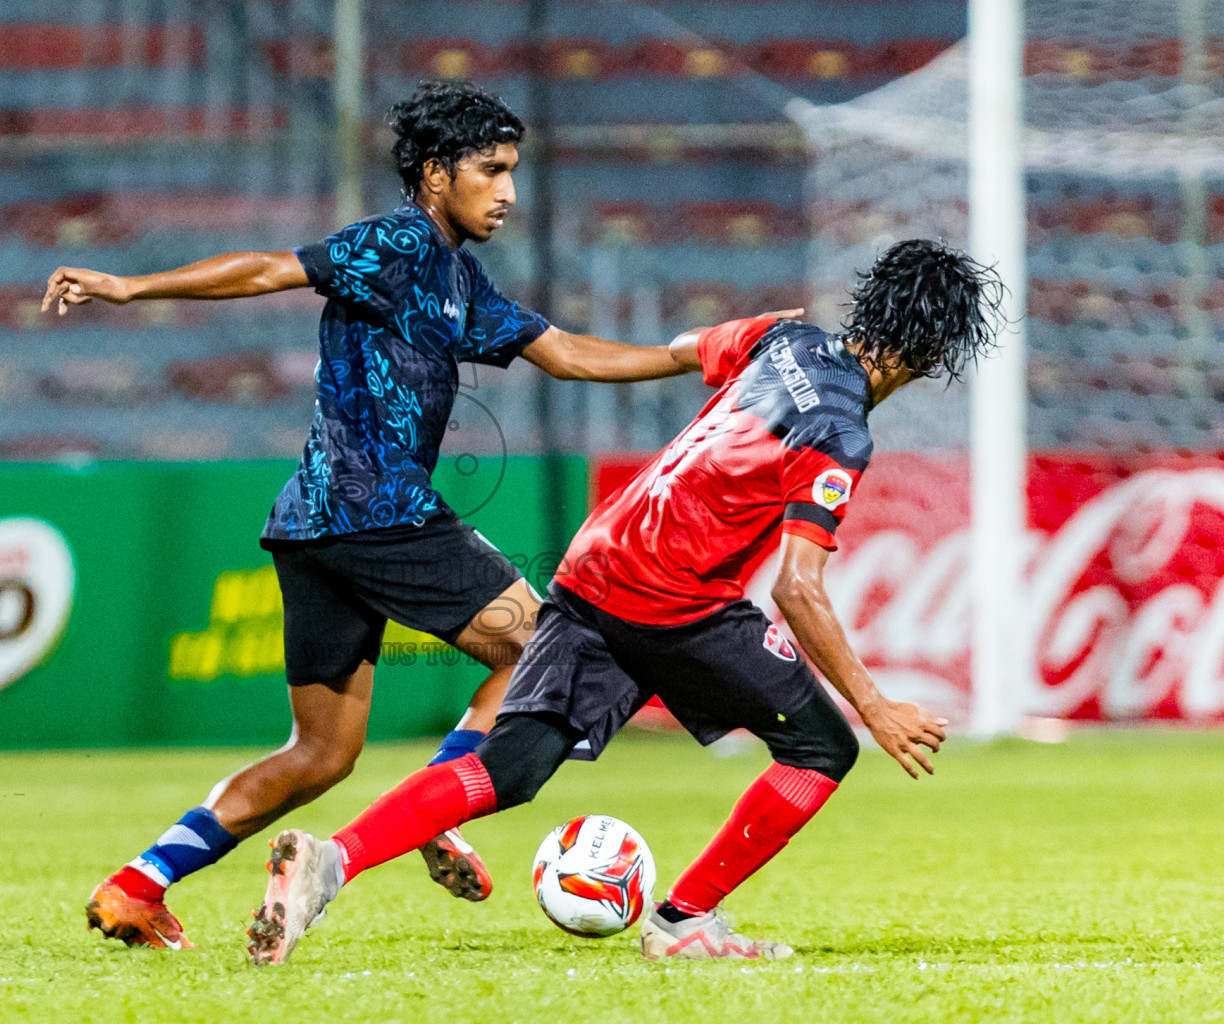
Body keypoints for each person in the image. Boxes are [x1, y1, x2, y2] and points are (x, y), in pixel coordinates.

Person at [43, 80, 779, 950]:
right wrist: (131, 287)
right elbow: (273, 268)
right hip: (380, 512)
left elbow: (571, 354)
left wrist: (710, 354)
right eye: (491, 171)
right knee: (553, 648)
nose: (508, 193)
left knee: (320, 755)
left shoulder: (457, 280)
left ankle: (139, 884)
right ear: (436, 174)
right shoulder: (397, 243)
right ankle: (437, 807)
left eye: (512, 172)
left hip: (314, 525)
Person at [242, 238, 1005, 966]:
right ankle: (684, 921)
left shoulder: (784, 338)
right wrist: (874, 707)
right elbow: (797, 588)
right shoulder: (838, 433)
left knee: (514, 767)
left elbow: (682, 347)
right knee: (822, 747)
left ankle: (332, 861)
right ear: (933, 352)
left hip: (595, 562)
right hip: (674, 598)